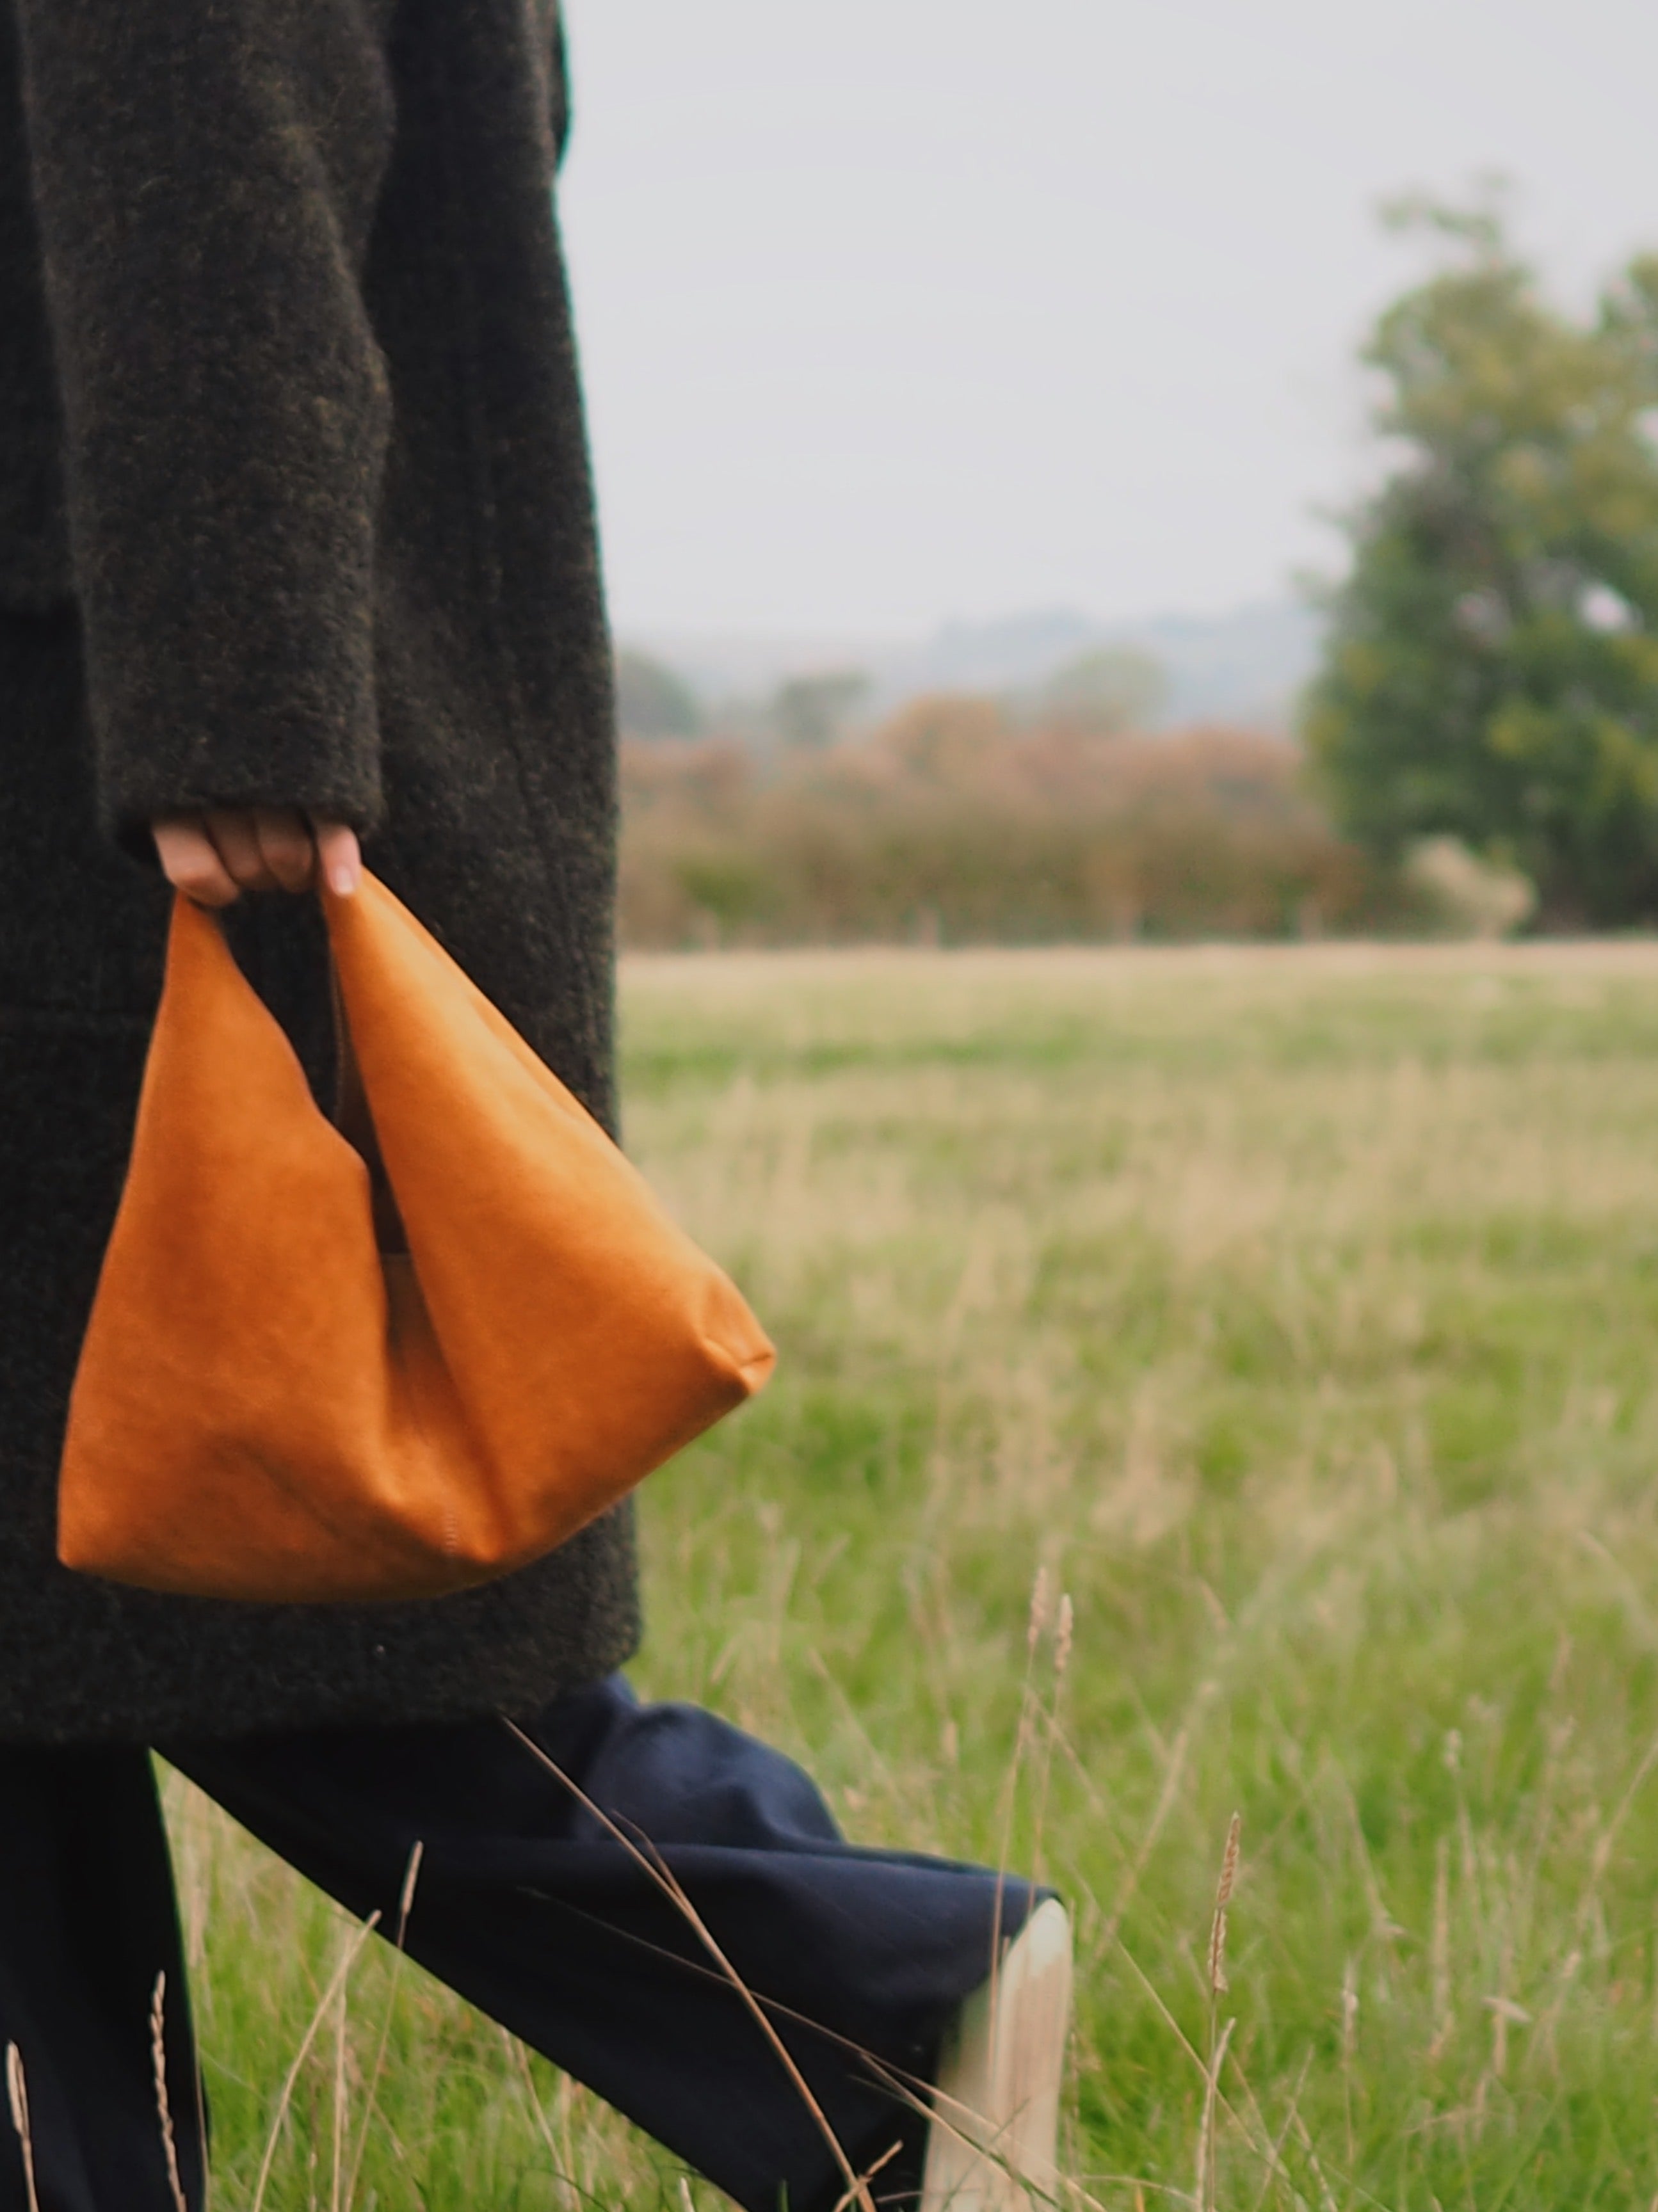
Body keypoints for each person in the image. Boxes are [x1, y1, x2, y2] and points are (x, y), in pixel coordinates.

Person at [0, 3, 1072, 2208]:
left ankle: (857, 1985)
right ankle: (854, 1998)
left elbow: (206, 107)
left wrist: (232, 684)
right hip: (139, 676)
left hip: (108, 729)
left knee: (255, 1553)